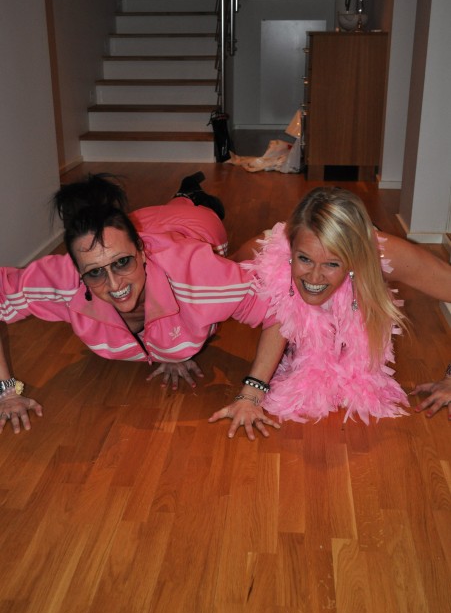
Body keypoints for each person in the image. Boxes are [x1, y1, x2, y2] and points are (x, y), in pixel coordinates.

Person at [0, 173, 285, 435]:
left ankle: (193, 196)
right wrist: (7, 391)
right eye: (95, 273)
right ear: (77, 271)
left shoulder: (199, 274)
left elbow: (280, 309)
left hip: (193, 226)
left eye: (123, 263)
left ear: (141, 252)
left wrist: (252, 393)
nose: (115, 285)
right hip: (136, 226)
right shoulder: (64, 278)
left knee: (228, 267)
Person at [210, 186, 414, 431]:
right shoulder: (260, 252)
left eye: (332, 263)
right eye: (304, 258)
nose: (314, 277)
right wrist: (178, 352)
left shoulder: (387, 255)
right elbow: (207, 292)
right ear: (290, 248)